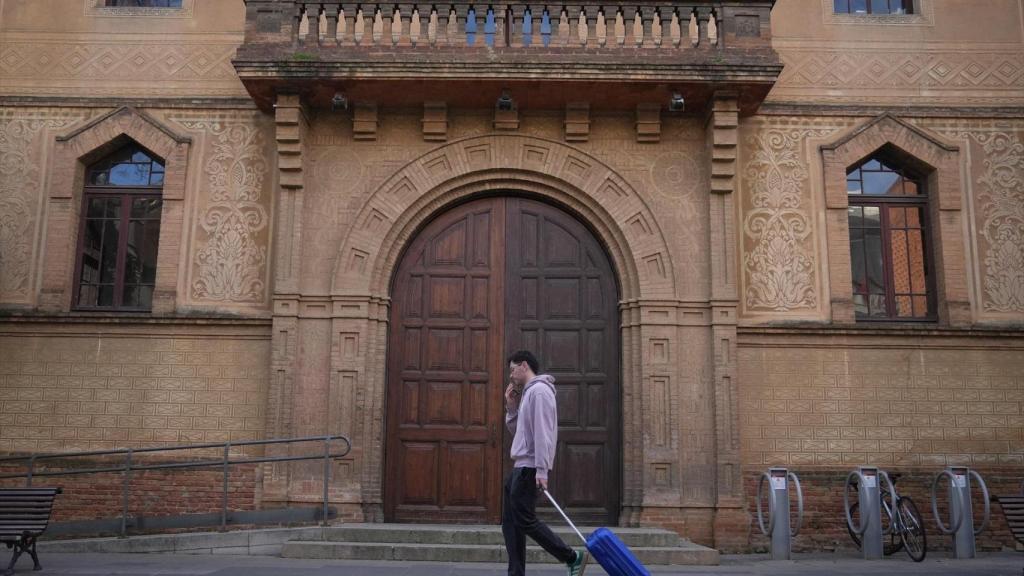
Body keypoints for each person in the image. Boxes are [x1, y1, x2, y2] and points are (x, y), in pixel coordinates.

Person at [502, 350, 586, 576]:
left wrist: (542, 470)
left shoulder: (539, 392)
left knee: (525, 520)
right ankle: (516, 572)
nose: (511, 375)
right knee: (511, 523)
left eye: (512, 370)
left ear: (524, 366)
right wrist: (511, 407)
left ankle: (571, 557)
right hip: (520, 467)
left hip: (529, 468)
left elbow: (543, 433)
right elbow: (521, 433)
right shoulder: (529, 393)